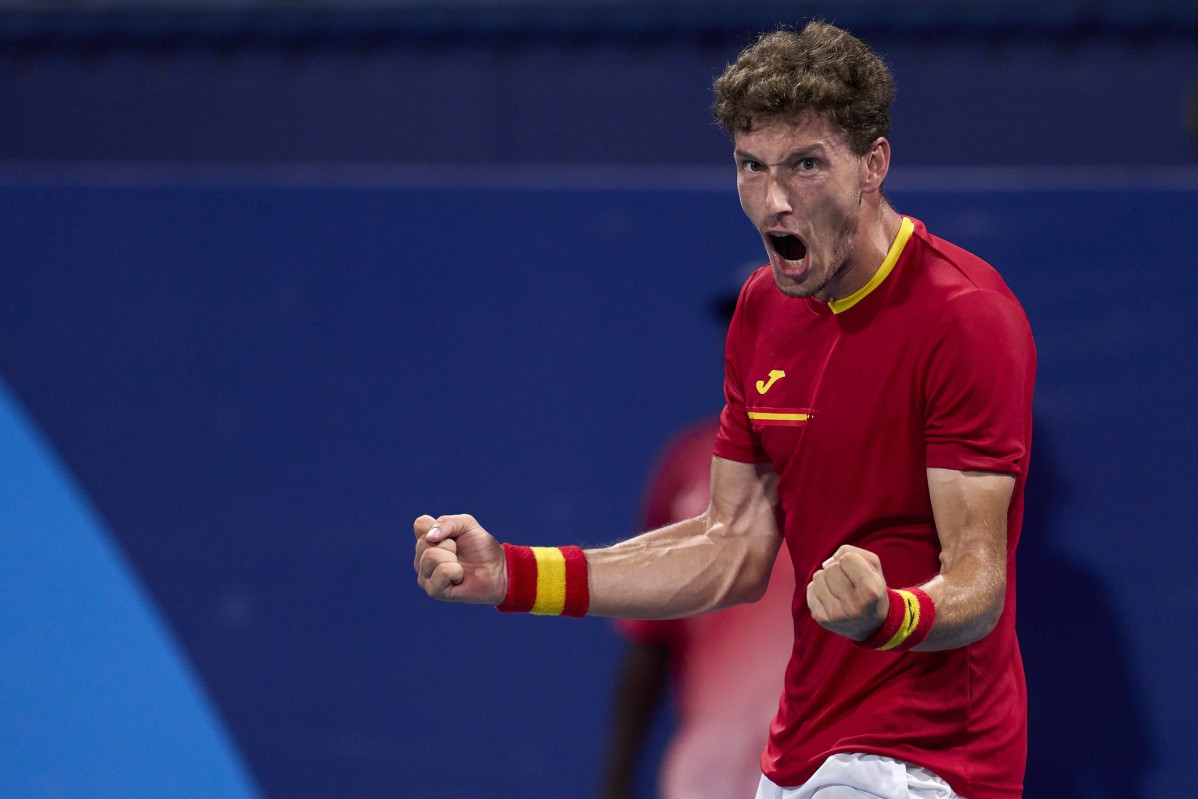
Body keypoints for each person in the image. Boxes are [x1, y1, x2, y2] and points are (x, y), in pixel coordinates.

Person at [414, 19, 1035, 799]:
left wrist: (892, 615)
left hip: (926, 762)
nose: (774, 199)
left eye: (806, 165)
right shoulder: (761, 311)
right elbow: (731, 546)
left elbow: (979, 579)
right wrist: (513, 574)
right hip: (800, 754)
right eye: (752, 167)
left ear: (874, 163)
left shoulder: (966, 314)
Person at [598, 287, 797, 799]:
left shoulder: (868, 461)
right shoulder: (686, 463)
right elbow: (649, 639)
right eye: (742, 327)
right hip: (707, 779)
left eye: (777, 324)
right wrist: (616, 782)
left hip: (833, 776)